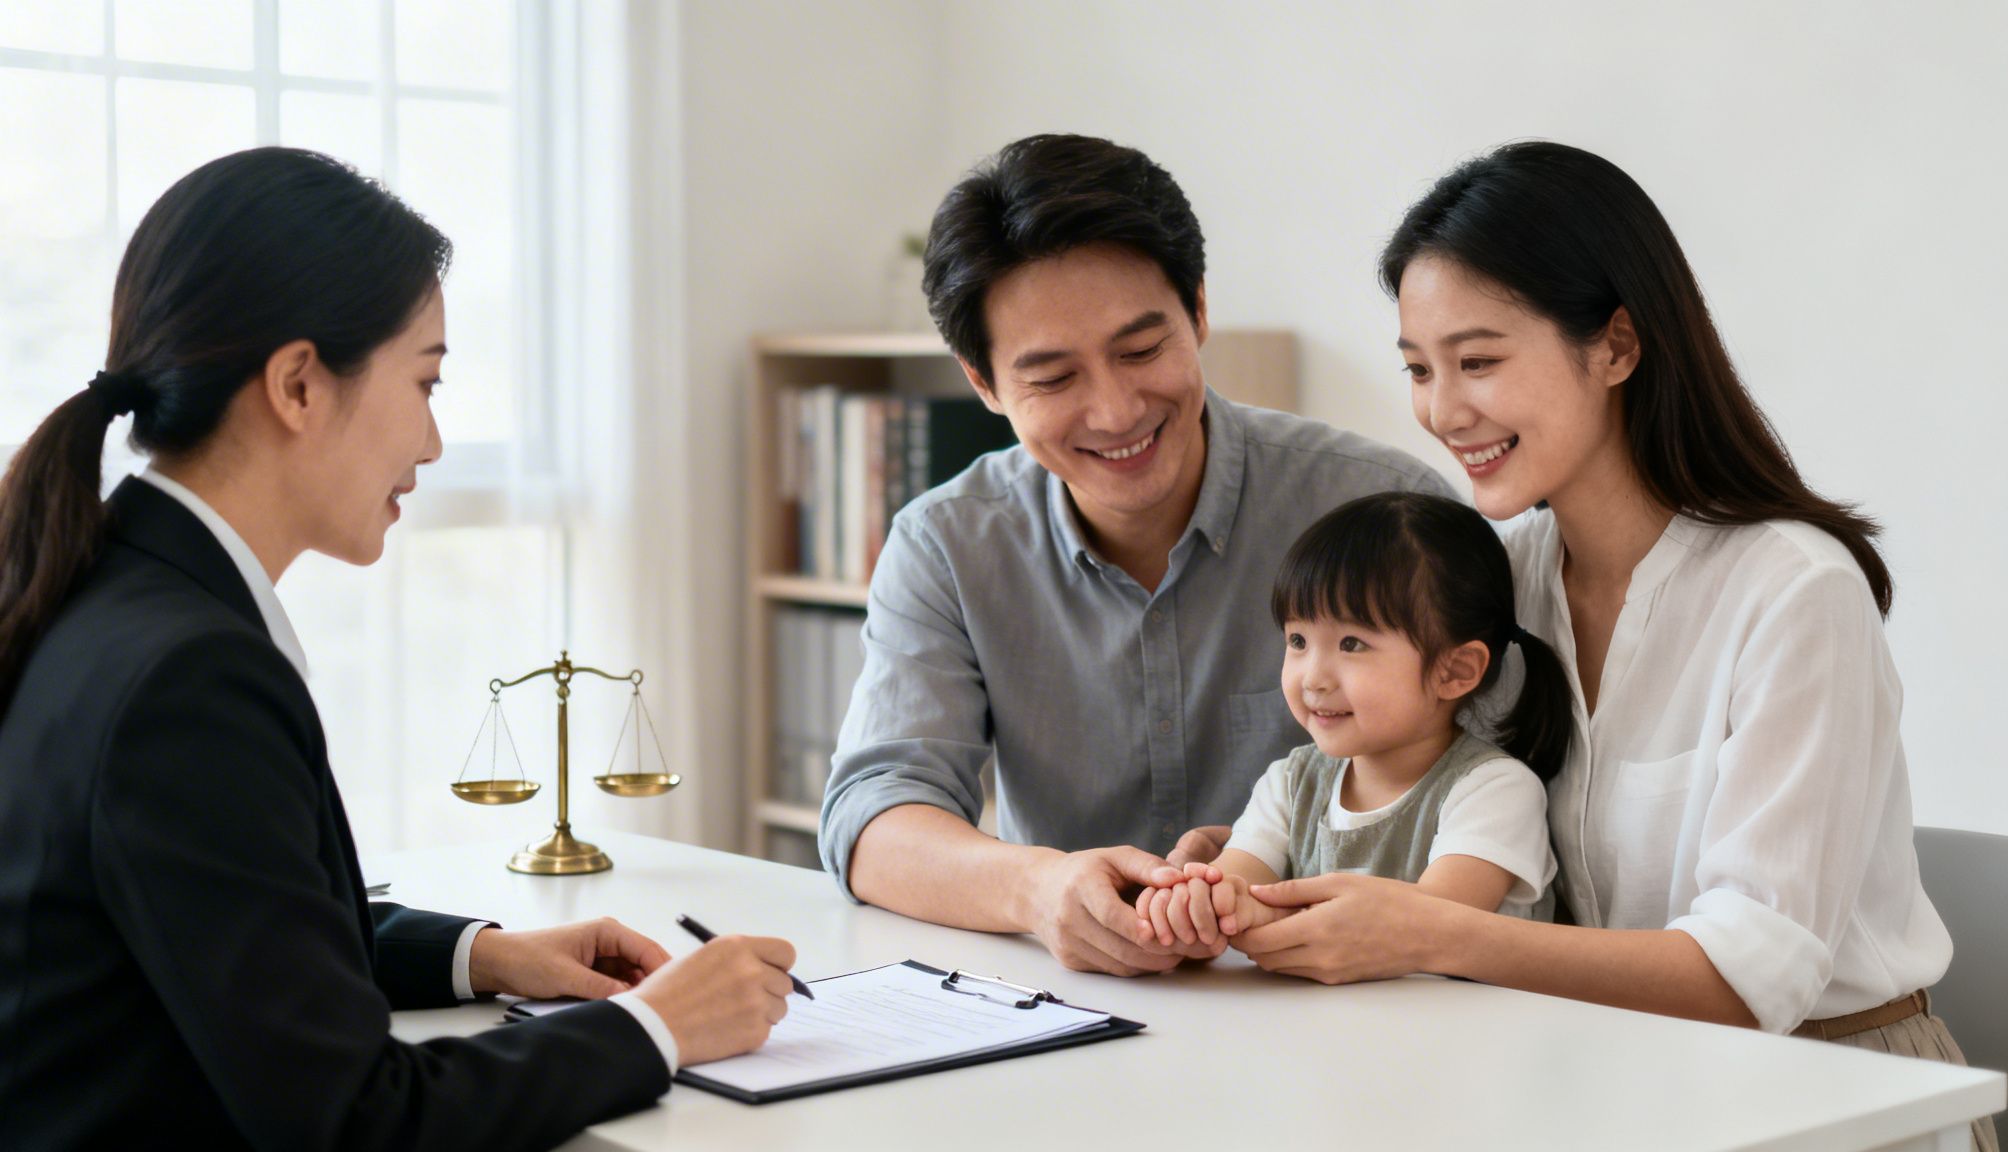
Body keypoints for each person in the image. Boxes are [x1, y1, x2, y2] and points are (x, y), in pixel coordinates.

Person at [0, 147, 798, 1150]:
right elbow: (357, 1120)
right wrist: (656, 1027)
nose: (431, 442)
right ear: (298, 385)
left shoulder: (102, 591)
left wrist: (484, 955)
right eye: (425, 381)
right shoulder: (187, 677)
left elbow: (232, 926)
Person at [1206, 141, 1995, 1149]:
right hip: (1608, 1084)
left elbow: (1746, 980)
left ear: (1616, 346)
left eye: (1478, 361)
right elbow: (1440, 797)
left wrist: (1432, 932)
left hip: (1839, 1096)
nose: (1441, 410)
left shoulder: (1795, 593)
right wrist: (1267, 864)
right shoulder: (1505, 581)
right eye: (1418, 368)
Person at [817, 133, 1454, 976]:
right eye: (1053, 378)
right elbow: (872, 817)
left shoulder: (1386, 513)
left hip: (1358, 1004)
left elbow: (1502, 781)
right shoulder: (947, 544)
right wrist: (1037, 889)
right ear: (983, 383)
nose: (1116, 412)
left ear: (1198, 312)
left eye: (1142, 350)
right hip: (1074, 1007)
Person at [1134, 492, 1566, 954]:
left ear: (1454, 671)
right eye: (1298, 640)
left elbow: (1431, 924)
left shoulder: (1495, 791)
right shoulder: (1290, 783)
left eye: (1351, 644)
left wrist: (1263, 915)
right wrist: (1196, 903)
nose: (1313, 678)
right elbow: (1238, 886)